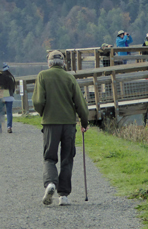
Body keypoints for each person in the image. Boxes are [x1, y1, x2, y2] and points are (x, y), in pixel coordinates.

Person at [34, 51, 88, 207]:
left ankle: (50, 183)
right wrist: (84, 122)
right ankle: (63, 195)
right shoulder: (69, 77)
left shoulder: (43, 76)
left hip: (50, 123)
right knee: (67, 158)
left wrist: (43, 113)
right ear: (63, 63)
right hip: (69, 124)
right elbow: (80, 103)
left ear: (49, 63)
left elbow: (38, 101)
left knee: (49, 157)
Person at [1, 64, 16, 134]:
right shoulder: (11, 77)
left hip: (1, 96)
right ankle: (9, 127)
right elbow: (13, 88)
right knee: (9, 112)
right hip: (10, 96)